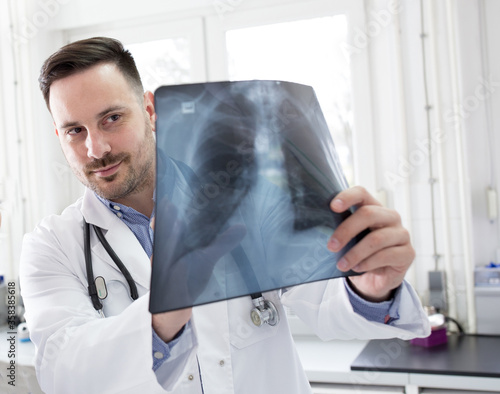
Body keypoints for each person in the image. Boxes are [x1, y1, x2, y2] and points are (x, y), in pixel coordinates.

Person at [20, 37, 429, 394]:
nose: (97, 148)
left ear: (149, 109)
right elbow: (63, 372)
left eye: (112, 118)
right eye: (75, 130)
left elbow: (325, 304)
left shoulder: (250, 200)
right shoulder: (52, 247)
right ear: (59, 136)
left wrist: (372, 289)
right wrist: (166, 310)